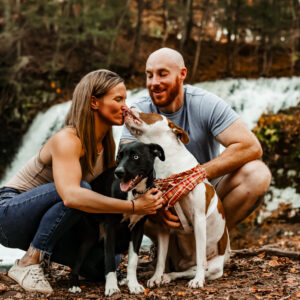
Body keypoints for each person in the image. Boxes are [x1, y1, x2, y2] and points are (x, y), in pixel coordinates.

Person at [0, 69, 164, 293]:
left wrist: (151, 206)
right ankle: (29, 262)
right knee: (80, 190)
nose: (125, 106)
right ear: (94, 102)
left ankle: (44, 254)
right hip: (9, 214)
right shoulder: (68, 139)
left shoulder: (107, 146)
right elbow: (71, 196)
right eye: (118, 99)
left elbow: (110, 195)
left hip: (52, 221)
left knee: (106, 264)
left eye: (125, 99)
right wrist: (133, 206)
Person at [121, 47, 272, 231]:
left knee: (258, 174)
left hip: (205, 191)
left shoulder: (204, 103)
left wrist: (194, 175)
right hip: (160, 195)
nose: (154, 82)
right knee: (120, 189)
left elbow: (251, 147)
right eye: (149, 75)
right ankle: (167, 250)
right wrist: (150, 203)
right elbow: (124, 162)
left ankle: (214, 245)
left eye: (162, 74)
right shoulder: (139, 113)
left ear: (182, 74)